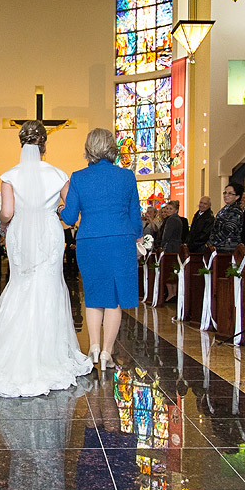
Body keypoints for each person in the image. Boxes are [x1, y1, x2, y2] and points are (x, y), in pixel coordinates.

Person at [0, 120, 92, 396]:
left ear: (21, 143)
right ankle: (51, 353)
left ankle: (15, 351)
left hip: (20, 233)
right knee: (48, 286)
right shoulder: (58, 174)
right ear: (44, 143)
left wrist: (0, 220)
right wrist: (56, 211)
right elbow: (72, 210)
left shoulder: (10, 176)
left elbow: (8, 213)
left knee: (21, 285)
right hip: (49, 232)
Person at [60, 127, 142, 372]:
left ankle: (93, 348)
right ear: (112, 147)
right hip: (120, 241)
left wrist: (59, 208)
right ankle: (107, 352)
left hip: (90, 241)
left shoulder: (78, 177)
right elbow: (135, 216)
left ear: (88, 148)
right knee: (114, 300)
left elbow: (70, 216)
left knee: (94, 296)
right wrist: (138, 240)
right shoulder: (127, 177)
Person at [208, 182, 244, 253]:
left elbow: (228, 229)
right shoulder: (226, 208)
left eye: (230, 193)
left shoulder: (235, 210)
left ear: (237, 197)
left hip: (228, 248)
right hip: (219, 246)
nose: (226, 195)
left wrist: (212, 241)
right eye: (225, 193)